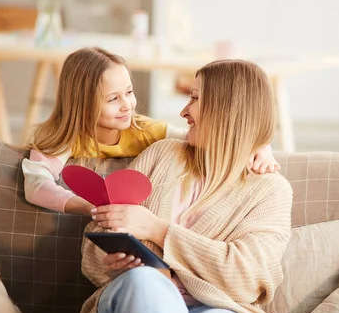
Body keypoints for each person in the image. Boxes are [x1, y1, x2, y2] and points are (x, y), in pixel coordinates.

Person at [80, 59, 293, 313]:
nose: (184, 112)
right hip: (138, 300)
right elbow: (97, 237)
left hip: (216, 309)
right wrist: (109, 262)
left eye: (193, 98)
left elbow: (248, 276)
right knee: (146, 282)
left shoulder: (269, 191)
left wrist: (158, 230)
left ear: (226, 109)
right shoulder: (162, 155)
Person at [22, 48, 279, 216]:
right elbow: (36, 185)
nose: (127, 105)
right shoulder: (62, 136)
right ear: (82, 103)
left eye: (130, 92)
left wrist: (261, 146)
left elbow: (215, 133)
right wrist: (87, 207)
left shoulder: (145, 130)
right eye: (113, 98)